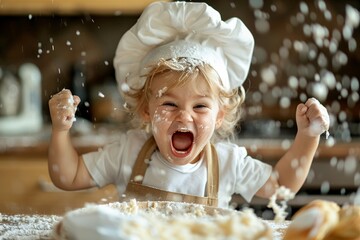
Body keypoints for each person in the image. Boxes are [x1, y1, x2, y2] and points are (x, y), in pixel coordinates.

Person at [48, 1, 330, 208]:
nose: (184, 116)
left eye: (200, 107)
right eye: (169, 104)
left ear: (220, 115)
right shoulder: (127, 153)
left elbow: (281, 186)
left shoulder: (227, 163)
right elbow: (68, 176)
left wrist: (308, 136)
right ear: (147, 109)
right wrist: (61, 131)